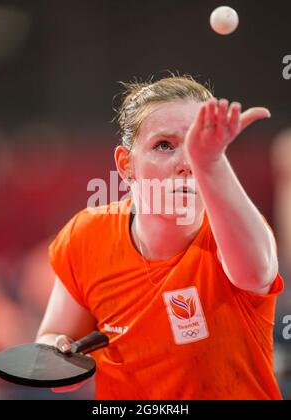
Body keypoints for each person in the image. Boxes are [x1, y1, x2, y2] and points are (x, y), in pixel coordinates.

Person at [36, 75, 284, 400]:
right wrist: (58, 354)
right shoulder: (86, 235)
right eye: (164, 145)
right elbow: (53, 338)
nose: (186, 164)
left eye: (199, 146)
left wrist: (211, 162)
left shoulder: (235, 232)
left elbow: (256, 273)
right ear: (126, 165)